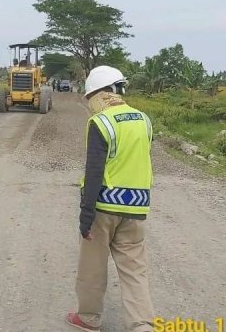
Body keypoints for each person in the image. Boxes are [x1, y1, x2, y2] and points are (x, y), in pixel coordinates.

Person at [66, 66, 155, 332]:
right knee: (134, 269)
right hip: (137, 208)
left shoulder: (101, 122)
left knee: (92, 267)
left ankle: (89, 318)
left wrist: (86, 215)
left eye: (90, 97)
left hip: (104, 208)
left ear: (101, 94)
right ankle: (143, 324)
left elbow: (94, 172)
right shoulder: (144, 120)